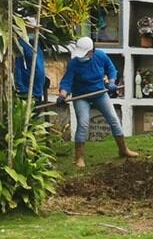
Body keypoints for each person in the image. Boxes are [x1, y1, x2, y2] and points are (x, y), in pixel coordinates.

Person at [56, 36, 137, 168]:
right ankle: (79, 158)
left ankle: (123, 150)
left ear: (91, 52)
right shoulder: (74, 63)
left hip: (99, 93)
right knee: (83, 124)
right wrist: (62, 95)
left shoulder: (100, 56)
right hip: (81, 96)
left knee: (113, 119)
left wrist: (111, 82)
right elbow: (67, 81)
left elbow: (111, 69)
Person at [14, 35, 48, 103]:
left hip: (38, 90)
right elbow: (17, 68)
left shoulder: (37, 46)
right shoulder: (21, 45)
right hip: (27, 91)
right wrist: (21, 89)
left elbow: (39, 66)